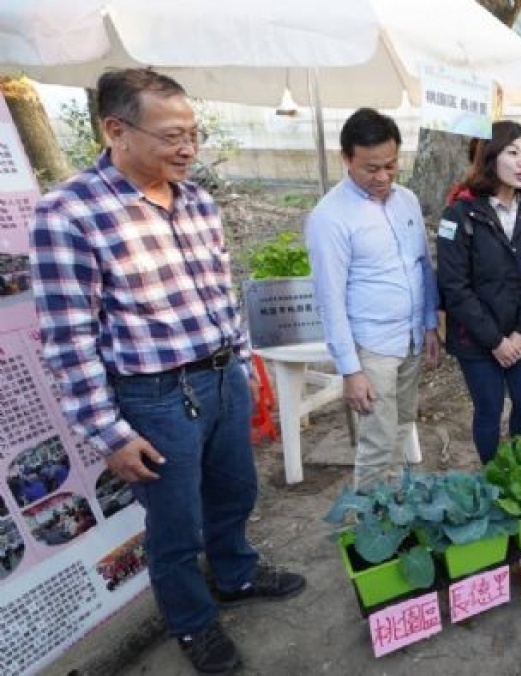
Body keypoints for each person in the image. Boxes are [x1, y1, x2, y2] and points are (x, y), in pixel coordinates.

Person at [30, 69, 305, 674]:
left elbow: (219, 290)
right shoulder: (69, 213)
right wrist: (110, 435)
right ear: (115, 130)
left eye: (195, 134)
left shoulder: (197, 200)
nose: (188, 148)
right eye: (172, 135)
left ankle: (234, 574)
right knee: (175, 524)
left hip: (221, 377)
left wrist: (243, 365)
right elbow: (68, 340)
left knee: (236, 491)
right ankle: (192, 622)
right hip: (154, 397)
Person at [305, 108, 439, 491]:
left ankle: (395, 506)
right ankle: (371, 525)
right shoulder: (329, 218)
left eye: (391, 165)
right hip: (373, 346)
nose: (382, 177)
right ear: (346, 158)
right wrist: (351, 370)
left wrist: (430, 323)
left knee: (401, 425)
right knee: (378, 442)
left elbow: (422, 266)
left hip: (411, 336)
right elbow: (329, 300)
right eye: (371, 168)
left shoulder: (407, 200)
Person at [437, 120, 521, 464]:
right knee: (488, 409)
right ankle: (492, 475)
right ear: (490, 156)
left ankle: (520, 472)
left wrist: (520, 335)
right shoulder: (459, 214)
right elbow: (454, 286)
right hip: (476, 339)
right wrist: (495, 341)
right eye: (513, 153)